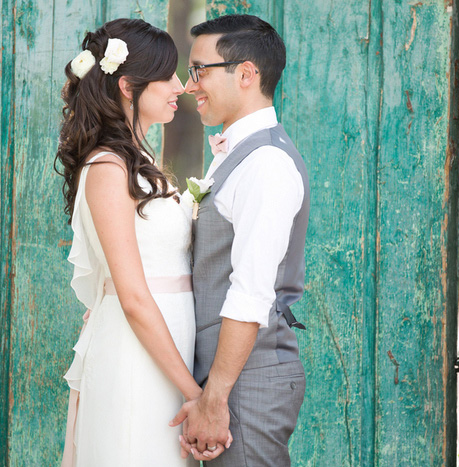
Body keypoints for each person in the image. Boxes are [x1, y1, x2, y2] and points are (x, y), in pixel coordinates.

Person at [55, 19, 228, 466]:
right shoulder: (109, 169)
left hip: (168, 347)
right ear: (129, 87)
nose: (180, 87)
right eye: (168, 76)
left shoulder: (140, 161)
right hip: (136, 353)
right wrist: (198, 396)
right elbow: (132, 296)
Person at [170, 14, 310, 466]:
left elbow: (250, 294)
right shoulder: (237, 156)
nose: (191, 85)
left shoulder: (266, 164)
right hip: (226, 381)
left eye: (199, 70)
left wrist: (215, 399)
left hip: (246, 385)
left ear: (246, 74)